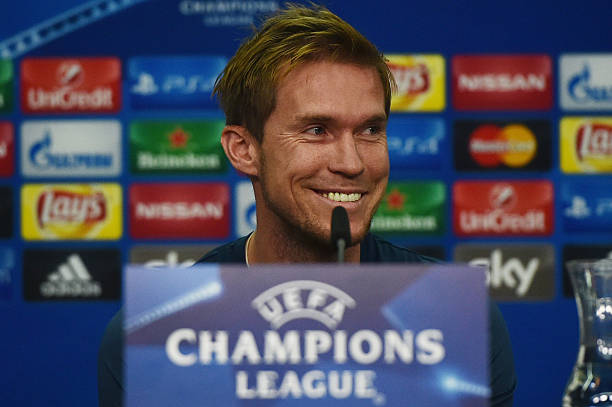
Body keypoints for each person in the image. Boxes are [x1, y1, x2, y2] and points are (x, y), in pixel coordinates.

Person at [98, 4, 516, 406]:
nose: (352, 163)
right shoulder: (155, 335)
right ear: (244, 150)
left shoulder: (459, 322)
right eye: (317, 130)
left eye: (371, 130)